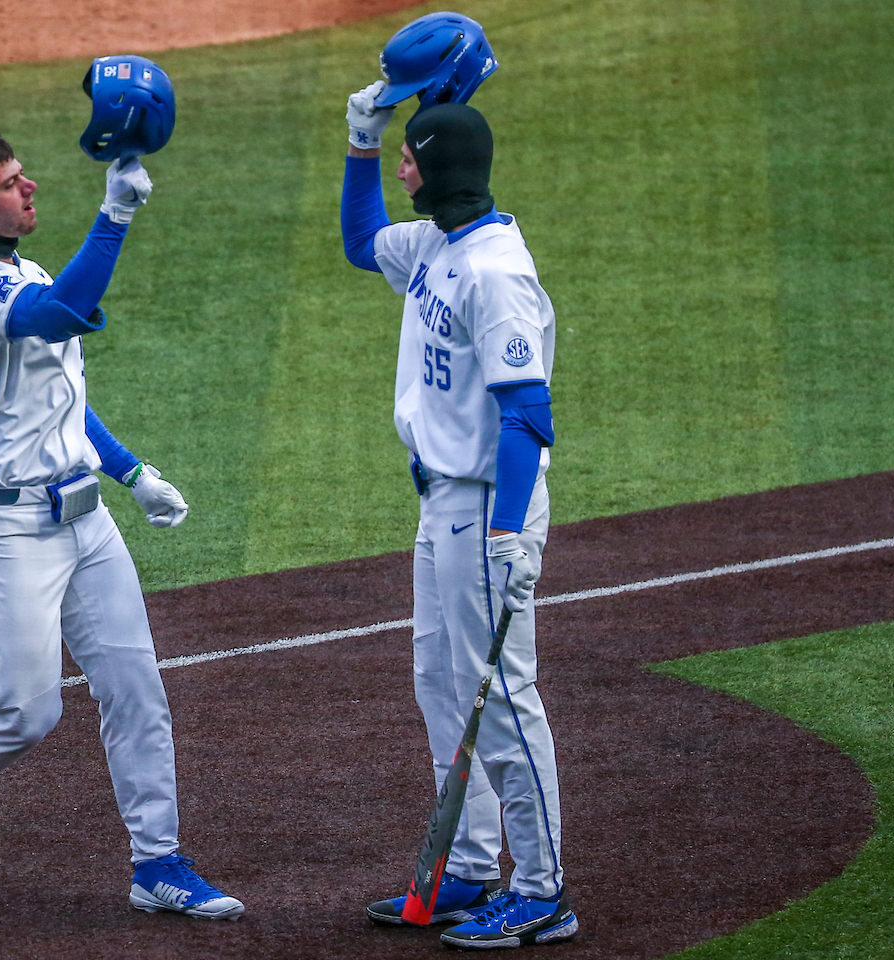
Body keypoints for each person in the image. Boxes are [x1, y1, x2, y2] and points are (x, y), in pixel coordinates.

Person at [0, 103, 243, 920]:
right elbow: (56, 317)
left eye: (23, 176)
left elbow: (62, 399)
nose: (29, 188)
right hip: (7, 529)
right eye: (10, 184)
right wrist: (114, 215)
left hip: (86, 521)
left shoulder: (27, 267)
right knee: (27, 711)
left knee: (136, 690)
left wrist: (132, 472)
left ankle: (157, 863)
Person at [341, 78, 578, 949]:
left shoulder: (494, 272)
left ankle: (543, 890)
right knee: (441, 685)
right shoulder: (437, 243)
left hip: (486, 511)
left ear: (439, 169)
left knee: (503, 700)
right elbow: (361, 241)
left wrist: (511, 532)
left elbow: (527, 414)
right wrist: (361, 138)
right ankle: (471, 865)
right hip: (442, 504)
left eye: (409, 156)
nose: (401, 169)